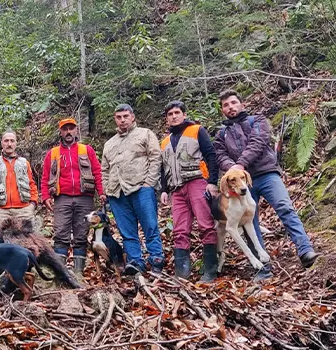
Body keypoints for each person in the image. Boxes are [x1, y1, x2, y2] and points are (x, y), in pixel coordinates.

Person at [213, 90, 318, 281]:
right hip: (241, 183)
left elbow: (258, 142)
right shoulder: (221, 134)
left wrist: (240, 164)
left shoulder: (257, 121)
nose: (231, 107)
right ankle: (263, 266)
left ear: (241, 104)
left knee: (285, 207)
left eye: (234, 103)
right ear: (222, 110)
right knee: (248, 222)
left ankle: (305, 250)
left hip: (266, 173)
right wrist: (234, 171)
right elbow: (219, 155)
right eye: (226, 105)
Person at [159, 101, 219, 282]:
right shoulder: (165, 142)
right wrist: (163, 189)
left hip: (197, 182)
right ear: (167, 119)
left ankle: (210, 271)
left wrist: (212, 182)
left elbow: (211, 155)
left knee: (205, 225)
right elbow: (163, 167)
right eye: (170, 114)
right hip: (176, 189)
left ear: (184, 114)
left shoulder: (197, 130)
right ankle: (182, 274)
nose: (174, 116)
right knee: (179, 230)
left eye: (177, 112)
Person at [101, 104, 165, 274]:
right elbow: (105, 169)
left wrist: (149, 183)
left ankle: (156, 258)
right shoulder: (109, 143)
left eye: (125, 116)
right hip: (117, 192)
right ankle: (135, 262)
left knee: (149, 225)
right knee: (127, 231)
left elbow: (155, 157)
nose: (122, 120)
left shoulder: (145, 134)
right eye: (119, 117)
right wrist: (107, 189)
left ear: (132, 117)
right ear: (115, 119)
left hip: (140, 188)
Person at [41, 118, 105, 273]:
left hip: (85, 198)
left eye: (71, 128)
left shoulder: (86, 150)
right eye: (65, 129)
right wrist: (45, 197)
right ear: (61, 132)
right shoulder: (53, 153)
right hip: (62, 198)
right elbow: (45, 176)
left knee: (81, 235)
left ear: (76, 130)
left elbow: (97, 171)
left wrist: (102, 192)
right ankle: (61, 273)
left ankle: (78, 274)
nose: (68, 132)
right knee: (61, 234)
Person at [0, 131, 38, 230]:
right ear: (1, 143)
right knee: (2, 241)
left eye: (12, 141)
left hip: (24, 210)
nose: (9, 144)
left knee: (28, 241)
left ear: (16, 143)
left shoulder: (24, 163)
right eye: (6, 141)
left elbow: (32, 184)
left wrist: (33, 204)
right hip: (1, 211)